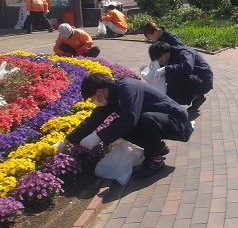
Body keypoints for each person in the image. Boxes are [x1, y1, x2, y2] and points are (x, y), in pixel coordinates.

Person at [53, 73, 194, 178]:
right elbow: (92, 121)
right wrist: (65, 141)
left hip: (179, 123)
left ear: (98, 92)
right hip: (161, 123)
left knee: (145, 119)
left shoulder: (127, 88)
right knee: (118, 126)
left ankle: (155, 160)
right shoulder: (111, 97)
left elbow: (130, 119)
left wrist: (98, 136)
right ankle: (158, 148)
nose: (94, 102)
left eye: (92, 99)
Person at [148, 41, 213, 114]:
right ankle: (196, 97)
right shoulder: (169, 57)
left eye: (158, 59)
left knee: (173, 79)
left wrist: (166, 69)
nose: (159, 62)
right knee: (170, 80)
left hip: (204, 81)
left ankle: (170, 106)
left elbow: (187, 68)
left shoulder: (185, 53)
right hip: (192, 79)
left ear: (164, 54)